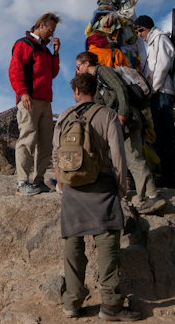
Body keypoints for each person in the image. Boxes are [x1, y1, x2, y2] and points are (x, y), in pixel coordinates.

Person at [53, 74, 141, 321]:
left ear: (75, 92)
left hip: (71, 189)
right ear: (95, 90)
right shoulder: (108, 115)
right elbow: (118, 154)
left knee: (72, 243)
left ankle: (72, 302)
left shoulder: (64, 117)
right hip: (101, 186)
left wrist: (62, 186)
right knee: (107, 245)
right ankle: (111, 305)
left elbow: (55, 153)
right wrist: (121, 187)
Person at [75, 52, 166, 214]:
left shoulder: (103, 72)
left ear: (87, 63)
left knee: (133, 157)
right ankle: (140, 194)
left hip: (128, 120)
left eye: (78, 66)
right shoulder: (97, 80)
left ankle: (152, 197)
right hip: (123, 121)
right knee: (124, 157)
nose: (78, 70)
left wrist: (122, 113)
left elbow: (120, 89)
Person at [9, 13, 62, 196]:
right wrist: (22, 92)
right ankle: (22, 183)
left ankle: (39, 181)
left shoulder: (46, 50)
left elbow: (53, 74)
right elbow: (15, 70)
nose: (52, 33)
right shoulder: (24, 43)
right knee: (27, 139)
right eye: (50, 29)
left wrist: (56, 53)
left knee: (45, 143)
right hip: (29, 98)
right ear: (41, 25)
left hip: (46, 100)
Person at [134, 15, 175, 187]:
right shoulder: (152, 43)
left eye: (141, 29)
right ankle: (169, 175)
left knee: (166, 136)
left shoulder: (160, 39)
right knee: (162, 136)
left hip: (162, 92)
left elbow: (163, 66)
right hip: (157, 93)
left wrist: (153, 88)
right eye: (136, 31)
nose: (139, 34)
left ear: (148, 27)